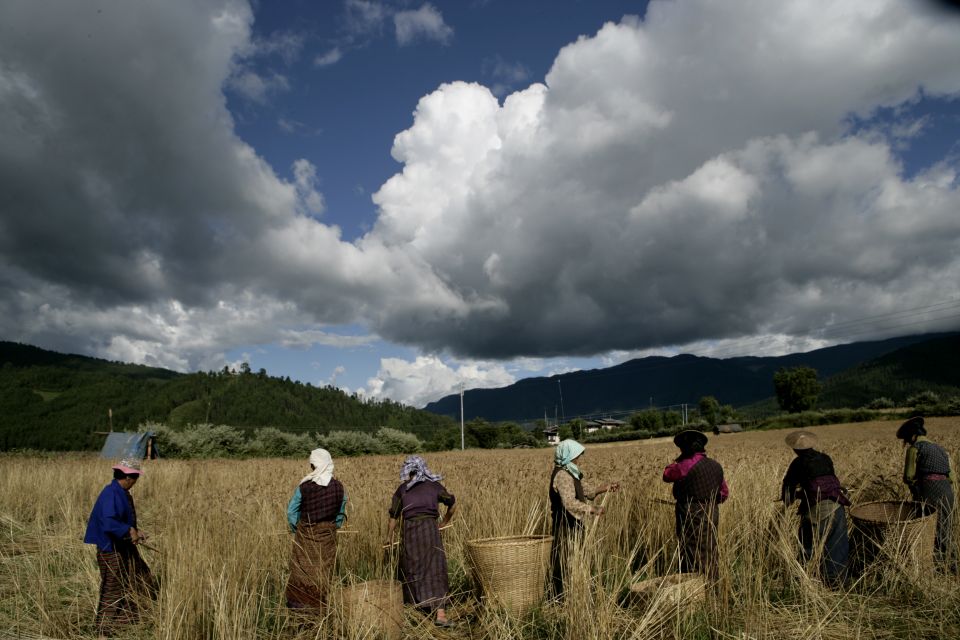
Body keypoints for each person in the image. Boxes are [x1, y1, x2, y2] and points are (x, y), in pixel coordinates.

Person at [83, 459, 157, 637]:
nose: (136, 481)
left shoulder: (121, 492)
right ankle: (103, 630)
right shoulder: (111, 494)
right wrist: (127, 530)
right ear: (128, 477)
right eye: (136, 477)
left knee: (140, 576)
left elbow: (121, 520)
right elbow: (109, 522)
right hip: (111, 549)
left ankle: (128, 620)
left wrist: (136, 532)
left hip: (123, 546)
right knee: (113, 587)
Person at [384, 455, 456, 627]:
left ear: (408, 471)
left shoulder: (402, 489)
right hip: (430, 530)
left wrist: (388, 537)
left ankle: (417, 612)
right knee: (435, 567)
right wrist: (444, 522)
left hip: (410, 532)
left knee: (413, 567)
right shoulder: (434, 486)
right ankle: (440, 614)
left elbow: (393, 516)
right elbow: (452, 503)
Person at [548, 439, 619, 599]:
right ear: (568, 455)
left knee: (574, 559)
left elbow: (585, 490)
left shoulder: (570, 472)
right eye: (576, 455)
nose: (579, 458)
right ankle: (559, 598)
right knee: (565, 561)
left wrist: (604, 488)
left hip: (573, 524)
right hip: (565, 526)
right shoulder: (562, 475)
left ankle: (574, 593)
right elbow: (569, 502)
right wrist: (591, 509)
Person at [780, 430, 850, 585]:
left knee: (808, 545)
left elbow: (788, 487)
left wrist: (788, 501)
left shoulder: (798, 463)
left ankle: (804, 581)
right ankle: (837, 582)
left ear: (795, 449)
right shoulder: (825, 458)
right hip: (837, 505)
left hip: (817, 510)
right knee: (837, 545)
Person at [286, 448, 347, 611]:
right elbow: (341, 511)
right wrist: (335, 526)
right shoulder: (339, 487)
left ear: (314, 466)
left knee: (302, 570)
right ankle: (318, 608)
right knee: (323, 572)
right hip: (327, 537)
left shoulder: (304, 487)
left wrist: (297, 528)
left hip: (305, 536)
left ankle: (299, 608)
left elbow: (291, 511)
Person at [662, 430, 728, 578]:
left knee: (691, 549)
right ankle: (712, 582)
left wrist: (678, 460)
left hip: (690, 512)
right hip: (712, 511)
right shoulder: (716, 465)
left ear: (684, 449)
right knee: (709, 547)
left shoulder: (684, 465)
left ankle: (696, 587)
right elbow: (724, 494)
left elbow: (666, 475)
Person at [897, 416, 957, 569]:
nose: (907, 443)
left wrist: (919, 488)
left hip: (929, 490)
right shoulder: (940, 448)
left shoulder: (915, 448)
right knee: (945, 526)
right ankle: (952, 563)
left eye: (906, 440)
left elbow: (908, 477)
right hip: (947, 490)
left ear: (912, 436)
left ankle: (937, 565)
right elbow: (952, 477)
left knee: (929, 526)